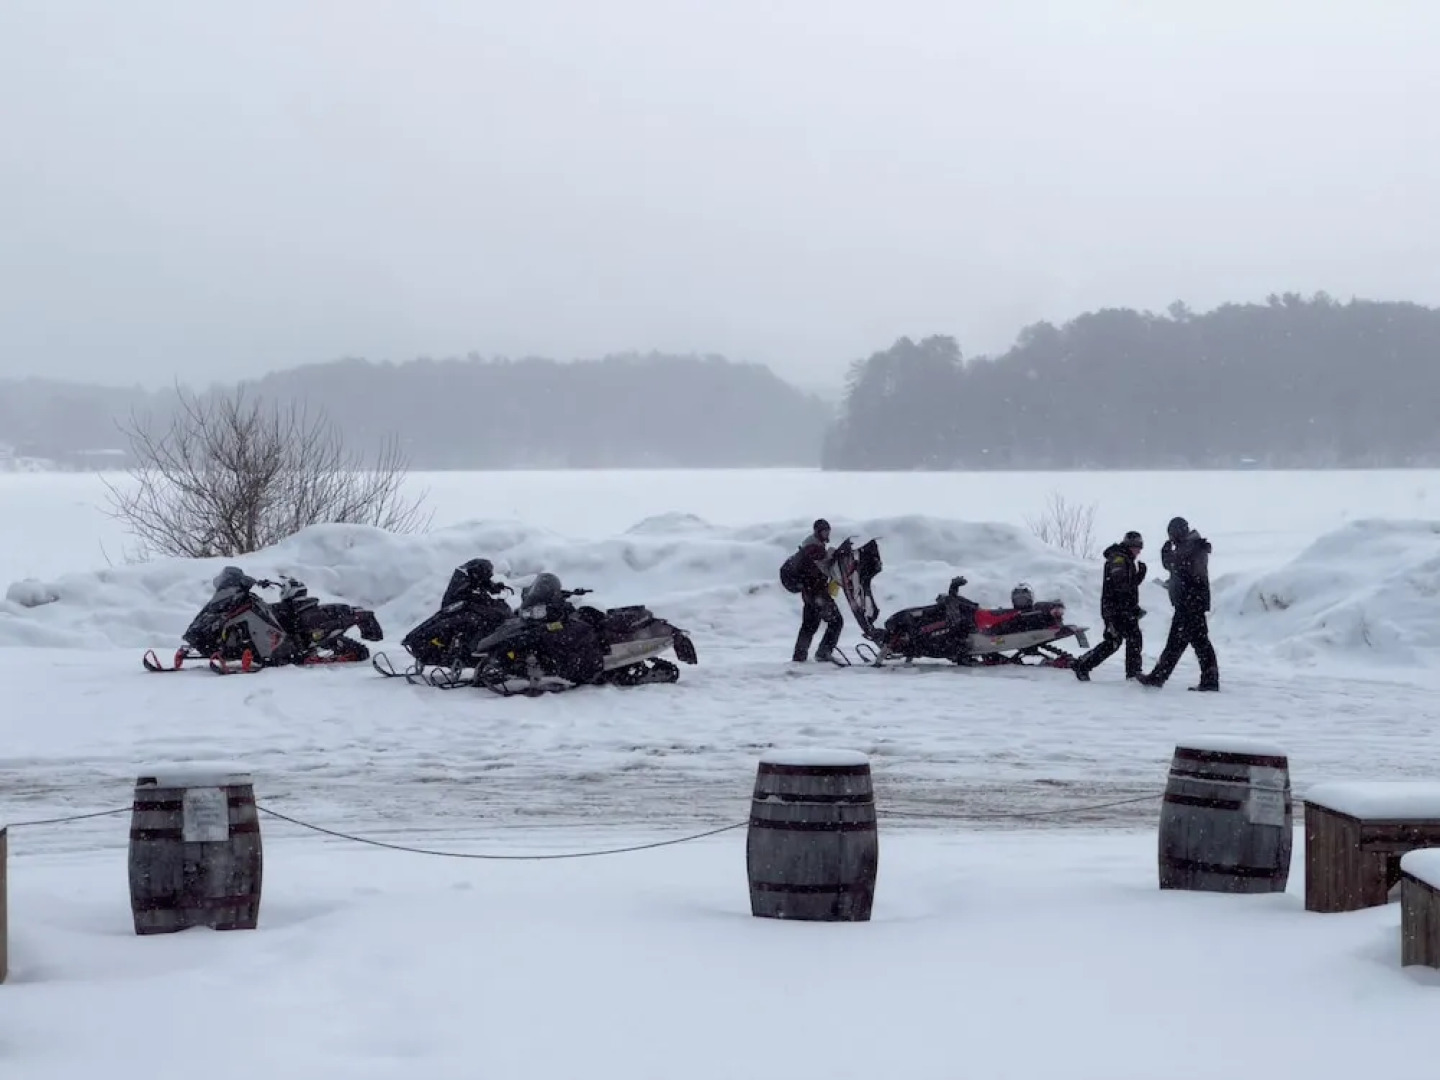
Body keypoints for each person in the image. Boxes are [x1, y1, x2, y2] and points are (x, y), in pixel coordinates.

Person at [1136, 516, 1219, 691]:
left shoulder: (1194, 547)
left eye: (1172, 534)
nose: (1171, 538)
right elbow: (1178, 568)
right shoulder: (1190, 546)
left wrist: (1167, 555)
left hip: (1190, 603)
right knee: (1198, 642)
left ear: (1178, 532)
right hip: (1190, 603)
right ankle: (1209, 680)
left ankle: (1158, 678)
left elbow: (1181, 568)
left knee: (1178, 643)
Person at [1073, 531, 1146, 682]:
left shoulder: (1125, 559)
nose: (1139, 551)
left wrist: (1138, 577)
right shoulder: (1118, 559)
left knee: (1131, 638)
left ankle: (1133, 672)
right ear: (1130, 546)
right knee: (1114, 641)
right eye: (1137, 547)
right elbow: (1120, 585)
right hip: (1116, 610)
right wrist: (1127, 607)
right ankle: (1082, 665)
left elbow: (1126, 585)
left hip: (1122, 608)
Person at [780, 518, 844, 663]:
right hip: (817, 594)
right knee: (836, 621)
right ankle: (823, 652)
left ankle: (799, 657)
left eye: (828, 530)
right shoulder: (813, 548)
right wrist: (832, 557)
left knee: (809, 626)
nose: (827, 533)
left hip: (809, 594)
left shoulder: (809, 546)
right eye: (824, 531)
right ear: (817, 531)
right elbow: (821, 568)